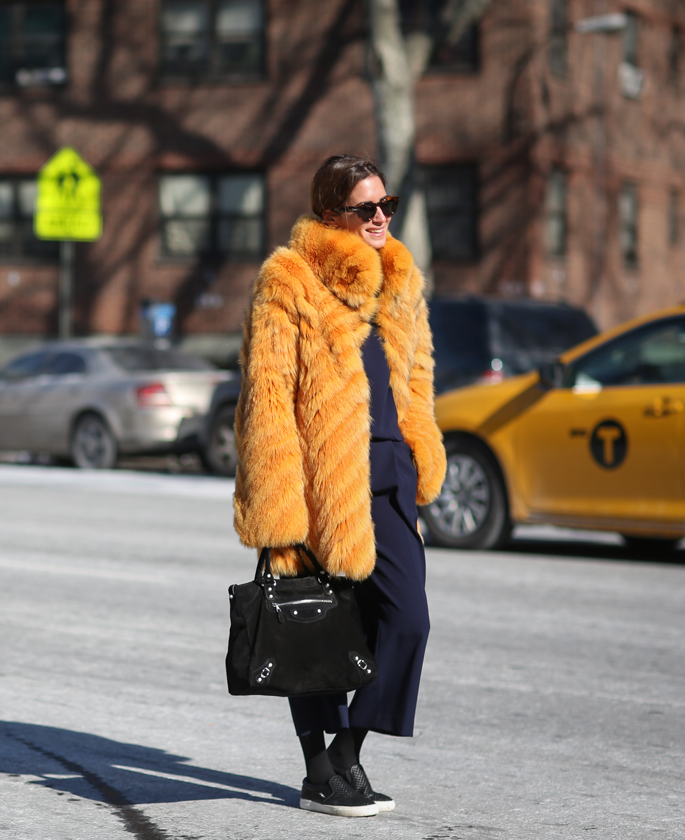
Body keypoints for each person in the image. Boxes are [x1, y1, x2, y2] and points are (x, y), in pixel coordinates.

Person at [232, 155, 446, 817]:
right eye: (366, 208)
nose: (381, 218)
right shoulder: (289, 280)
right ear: (332, 214)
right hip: (320, 478)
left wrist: (421, 449)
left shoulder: (398, 278)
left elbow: (415, 379)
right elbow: (267, 397)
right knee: (314, 624)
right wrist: (278, 507)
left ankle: (348, 752)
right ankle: (318, 770)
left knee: (408, 618)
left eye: (388, 204)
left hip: (389, 478)